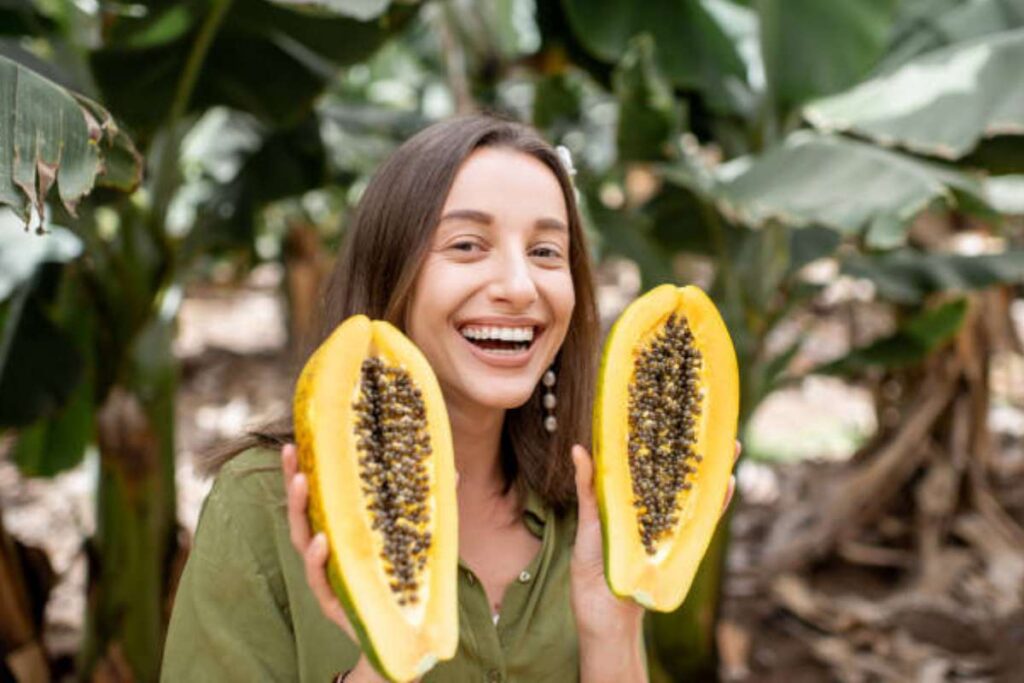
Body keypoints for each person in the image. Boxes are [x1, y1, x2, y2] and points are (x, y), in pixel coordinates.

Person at [161, 113, 737, 682]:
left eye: (545, 252)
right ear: (394, 274)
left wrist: (612, 626)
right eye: (467, 245)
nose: (518, 287)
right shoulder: (261, 505)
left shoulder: (597, 511)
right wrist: (385, 657)